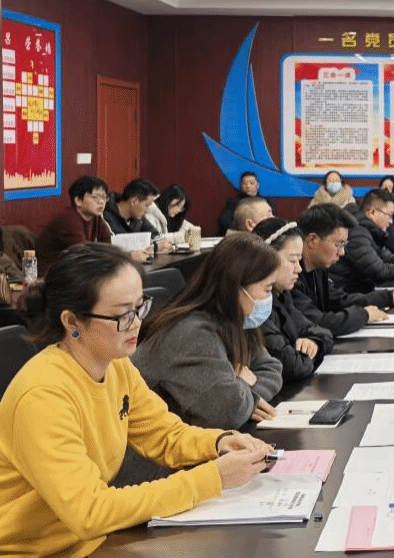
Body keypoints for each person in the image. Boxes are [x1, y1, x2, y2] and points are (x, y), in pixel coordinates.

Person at [0, 243, 270, 558]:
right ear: (72, 322)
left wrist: (219, 442)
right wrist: (212, 478)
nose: (136, 324)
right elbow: (90, 511)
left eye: (139, 308)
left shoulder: (115, 364)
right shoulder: (44, 393)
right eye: (122, 315)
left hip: (76, 547)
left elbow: (164, 434)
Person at [132, 234, 284, 429]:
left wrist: (243, 389)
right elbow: (228, 411)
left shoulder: (236, 321)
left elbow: (272, 368)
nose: (270, 298)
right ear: (236, 287)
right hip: (158, 444)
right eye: (267, 289)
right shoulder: (191, 333)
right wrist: (244, 387)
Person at [294, 203, 394, 337]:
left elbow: (340, 301)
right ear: (312, 240)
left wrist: (389, 298)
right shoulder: (291, 275)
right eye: (338, 244)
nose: (342, 252)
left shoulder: (318, 268)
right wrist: (365, 314)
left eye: (344, 245)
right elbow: (318, 322)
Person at [252, 218, 334, 383]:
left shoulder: (282, 295)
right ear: (267, 259)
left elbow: (322, 332)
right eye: (292, 260)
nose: (299, 269)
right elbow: (293, 366)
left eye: (299, 260)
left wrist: (314, 343)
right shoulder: (255, 305)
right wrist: (309, 355)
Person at [328, 190, 394, 294]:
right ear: (372, 212)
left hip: (361, 291)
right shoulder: (358, 233)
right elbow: (379, 270)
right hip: (347, 295)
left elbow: (388, 258)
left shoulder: (371, 231)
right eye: (389, 215)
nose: (391, 221)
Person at [34, 175, 113, 272]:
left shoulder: (97, 218)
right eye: (95, 197)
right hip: (52, 272)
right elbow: (82, 253)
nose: (101, 202)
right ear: (78, 201)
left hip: (76, 269)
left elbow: (108, 248)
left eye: (104, 197)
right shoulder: (68, 219)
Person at [104, 179, 171, 253]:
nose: (147, 210)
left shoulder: (138, 217)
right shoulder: (107, 216)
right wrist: (155, 247)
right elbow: (121, 247)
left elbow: (156, 236)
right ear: (134, 201)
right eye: (146, 205)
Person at [216, 172, 270, 236]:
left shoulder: (264, 202)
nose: (248, 186)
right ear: (241, 185)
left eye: (251, 183)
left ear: (257, 185)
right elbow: (224, 221)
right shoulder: (234, 202)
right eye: (244, 183)